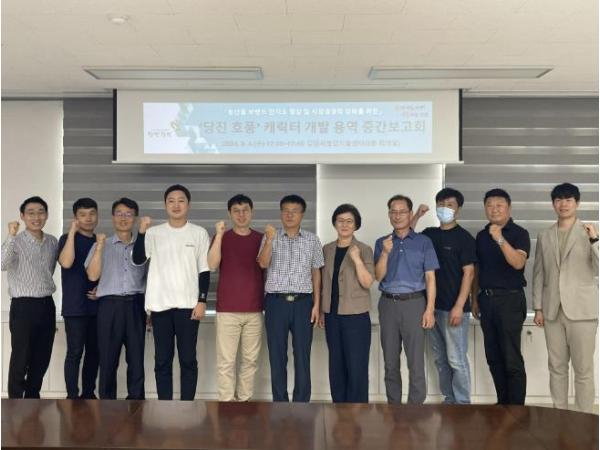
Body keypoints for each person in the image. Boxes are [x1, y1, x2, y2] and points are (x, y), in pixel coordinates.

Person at [132, 184, 210, 400]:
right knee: (162, 361)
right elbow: (138, 259)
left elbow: (204, 270)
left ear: (188, 204)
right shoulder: (154, 233)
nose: (176, 205)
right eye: (171, 201)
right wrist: (141, 232)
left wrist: (202, 300)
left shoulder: (199, 233)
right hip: (160, 307)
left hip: (188, 307)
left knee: (188, 360)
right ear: (165, 205)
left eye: (181, 200)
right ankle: (164, 406)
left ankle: (187, 405)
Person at [532, 183, 598, 413]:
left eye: (568, 200)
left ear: (577, 203)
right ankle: (559, 415)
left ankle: (584, 417)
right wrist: (538, 307)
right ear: (553, 204)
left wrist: (595, 240)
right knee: (556, 367)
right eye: (559, 200)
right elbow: (539, 273)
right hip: (552, 310)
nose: (563, 204)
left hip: (582, 311)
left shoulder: (590, 232)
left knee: (583, 370)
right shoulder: (544, 235)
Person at [257, 194, 324, 402]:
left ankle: (302, 402)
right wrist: (269, 240)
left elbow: (316, 273)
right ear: (281, 213)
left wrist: (317, 305)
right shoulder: (270, 236)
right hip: (276, 303)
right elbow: (263, 263)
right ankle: (280, 402)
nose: (289, 215)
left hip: (303, 303)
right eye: (286, 211)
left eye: (294, 211)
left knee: (302, 355)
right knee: (277, 355)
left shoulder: (312, 240)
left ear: (302, 214)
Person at [413, 188, 476, 404]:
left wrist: (459, 306)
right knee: (440, 359)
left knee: (456, 359)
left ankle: (463, 403)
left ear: (458, 209)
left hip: (454, 309)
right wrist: (417, 215)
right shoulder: (429, 235)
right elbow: (405, 235)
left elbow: (469, 273)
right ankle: (450, 400)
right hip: (432, 308)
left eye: (450, 205)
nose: (444, 208)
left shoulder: (464, 238)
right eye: (441, 204)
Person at [374, 194, 438, 404]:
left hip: (415, 304)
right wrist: (385, 253)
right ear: (389, 214)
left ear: (410, 214)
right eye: (393, 211)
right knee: (390, 361)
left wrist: (429, 309)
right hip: (388, 304)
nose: (397, 215)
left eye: (402, 212)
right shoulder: (382, 242)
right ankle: (394, 406)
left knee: (415, 361)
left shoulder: (423, 242)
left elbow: (430, 278)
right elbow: (378, 276)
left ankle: (415, 408)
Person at [472, 188, 530, 405]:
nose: (494, 209)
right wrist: (474, 298)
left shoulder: (519, 233)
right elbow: (477, 270)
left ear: (509, 208)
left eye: (499, 205)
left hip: (510, 300)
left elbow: (518, 263)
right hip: (486, 300)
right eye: (489, 205)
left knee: (511, 358)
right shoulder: (481, 236)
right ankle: (502, 404)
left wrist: (499, 238)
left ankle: (516, 409)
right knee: (493, 357)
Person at [85, 198, 147, 399]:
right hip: (109, 306)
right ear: (112, 217)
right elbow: (92, 276)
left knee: (136, 360)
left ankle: (136, 403)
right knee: (107, 359)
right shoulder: (101, 245)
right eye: (119, 213)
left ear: (135, 218)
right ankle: (106, 404)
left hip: (136, 305)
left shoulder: (144, 246)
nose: (123, 218)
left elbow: (152, 277)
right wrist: (99, 248)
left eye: (128, 214)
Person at [208, 194, 264, 401]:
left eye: (245, 210)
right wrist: (219, 235)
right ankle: (226, 404)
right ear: (229, 214)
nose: (241, 215)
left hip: (255, 310)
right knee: (226, 363)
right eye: (236, 211)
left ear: (252, 212)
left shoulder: (261, 239)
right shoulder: (222, 237)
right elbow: (212, 265)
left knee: (250, 361)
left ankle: (244, 402)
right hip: (227, 311)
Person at [1, 196, 58, 398]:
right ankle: (16, 402)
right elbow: (2, 264)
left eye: (41, 212)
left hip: (47, 304)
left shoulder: (52, 241)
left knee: (42, 356)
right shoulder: (15, 241)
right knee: (21, 357)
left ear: (47, 215)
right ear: (22, 216)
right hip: (23, 306)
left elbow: (49, 270)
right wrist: (11, 234)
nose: (36, 217)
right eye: (31, 213)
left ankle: (33, 398)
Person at [319, 204, 374, 403]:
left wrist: (357, 260)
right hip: (332, 316)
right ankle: (339, 408)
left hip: (356, 316)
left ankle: (357, 410)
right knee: (336, 365)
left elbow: (367, 282)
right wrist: (322, 311)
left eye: (349, 221)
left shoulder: (364, 249)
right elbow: (323, 283)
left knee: (357, 366)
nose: (344, 225)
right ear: (334, 223)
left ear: (356, 225)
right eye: (340, 220)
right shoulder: (326, 249)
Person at [58, 197, 100, 400]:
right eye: (82, 215)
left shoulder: (100, 241)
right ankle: (72, 396)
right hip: (74, 307)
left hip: (97, 307)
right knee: (75, 353)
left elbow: (105, 272)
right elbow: (66, 263)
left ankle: (89, 394)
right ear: (75, 218)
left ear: (97, 216)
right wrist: (72, 232)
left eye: (92, 214)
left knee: (94, 353)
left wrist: (101, 288)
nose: (88, 218)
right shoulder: (66, 239)